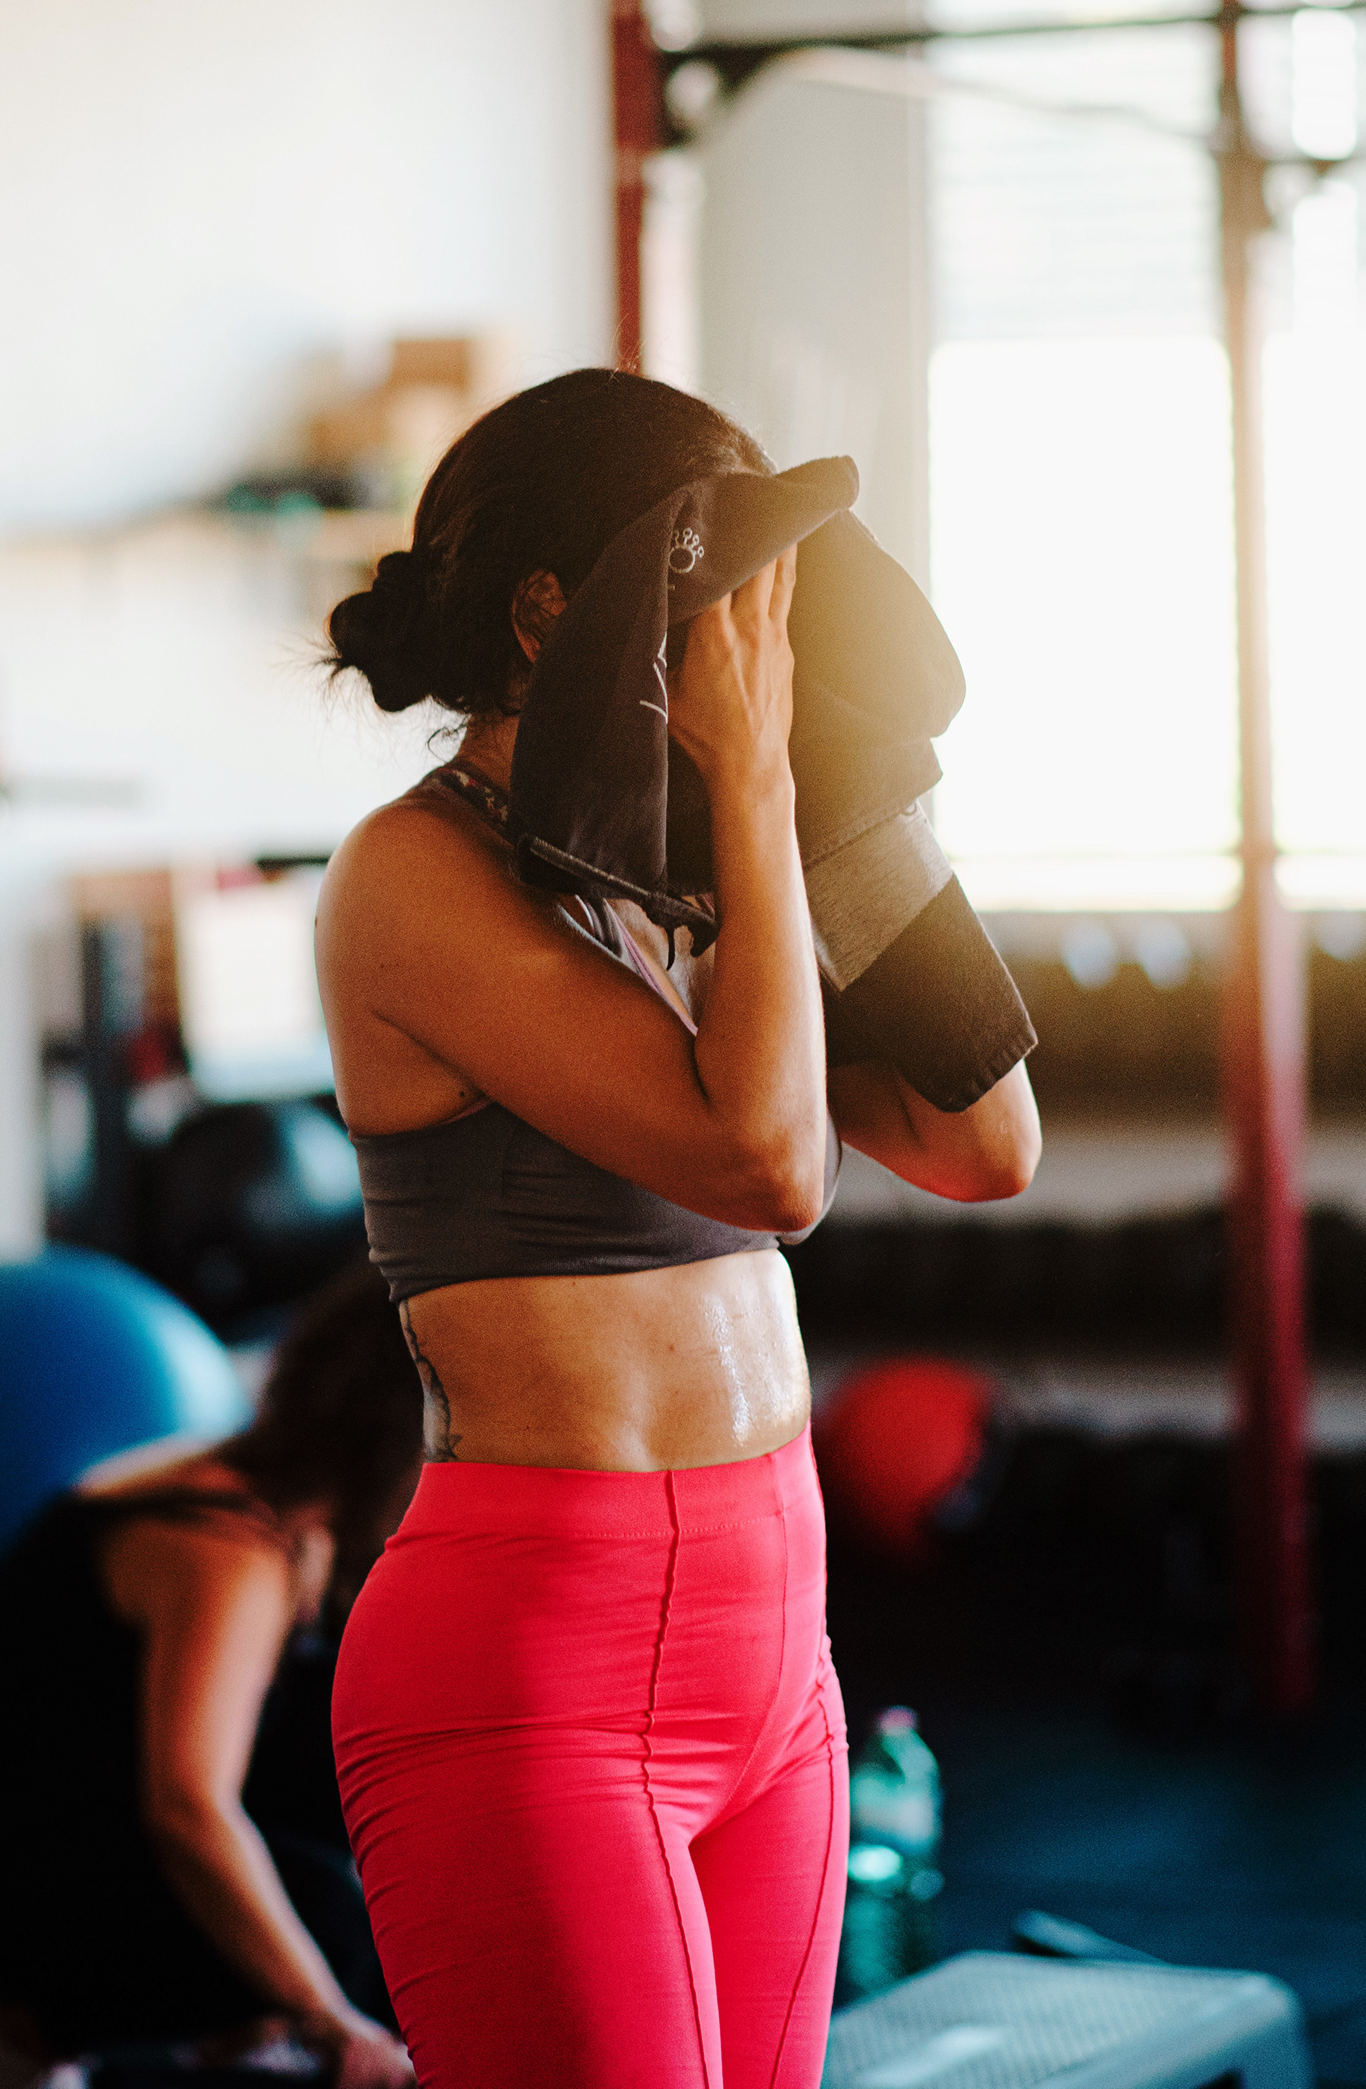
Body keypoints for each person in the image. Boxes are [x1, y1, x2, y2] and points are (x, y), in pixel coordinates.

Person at [315, 369, 1039, 2089]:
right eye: (720, 584)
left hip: (773, 1652)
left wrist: (850, 805)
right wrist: (762, 796)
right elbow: (771, 1166)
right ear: (559, 607)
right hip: (535, 1676)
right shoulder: (409, 877)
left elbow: (981, 1135)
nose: (757, 631)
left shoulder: (675, 886)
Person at [0, 1260, 422, 2089]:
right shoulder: (222, 1546)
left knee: (346, 1761)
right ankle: (12, 2042)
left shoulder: (276, 1498)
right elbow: (188, 1811)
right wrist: (327, 2014)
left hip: (68, 1802)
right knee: (330, 1924)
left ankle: (236, 2020)